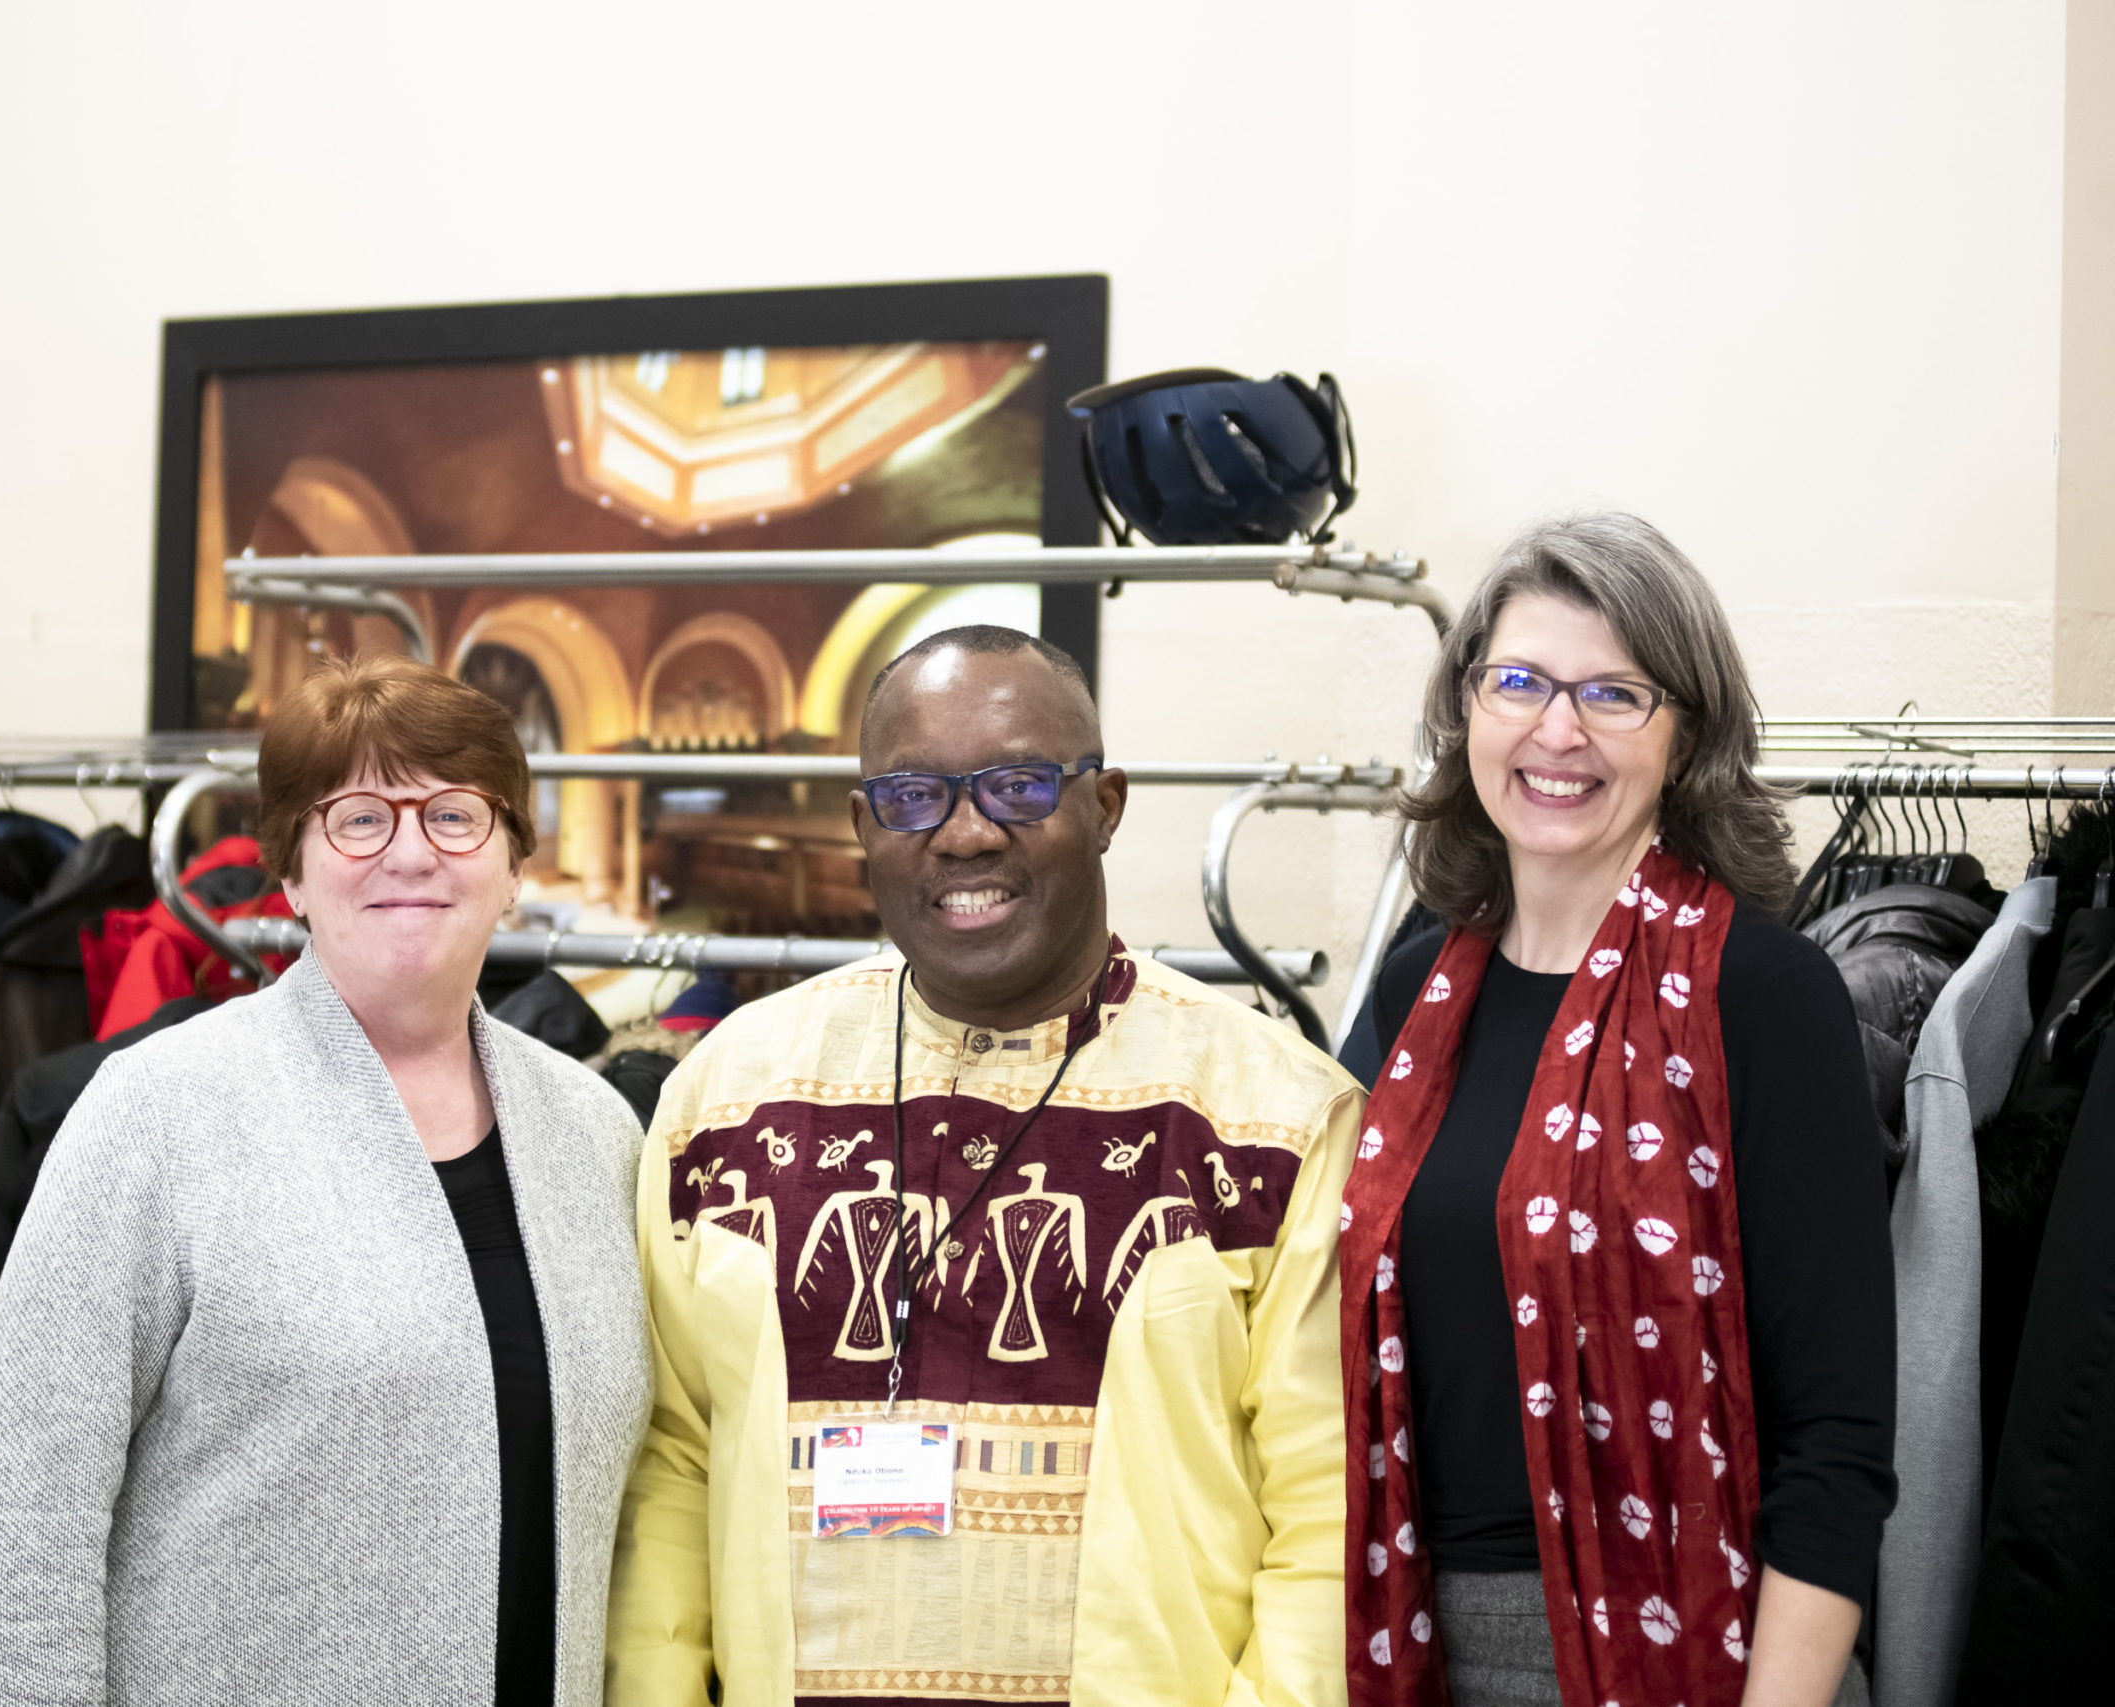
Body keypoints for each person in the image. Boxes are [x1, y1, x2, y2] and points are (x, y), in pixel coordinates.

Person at [607, 625, 1360, 1707]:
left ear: (1104, 807)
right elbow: (671, 1474)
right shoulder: (724, 1103)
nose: (964, 835)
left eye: (1016, 785)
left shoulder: (1272, 1120)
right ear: (864, 827)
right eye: (914, 795)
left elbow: (1330, 1519)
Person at [0, 654, 652, 1707]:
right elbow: (20, 1521)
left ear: (512, 866)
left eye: (455, 816)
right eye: (358, 818)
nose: (409, 852)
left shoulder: (595, 1131)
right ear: (291, 870)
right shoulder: (157, 1112)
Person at [1335, 513, 1894, 1707]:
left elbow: (1837, 1442)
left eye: (1614, 695)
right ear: (1466, 708)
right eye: (1520, 681)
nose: (1556, 730)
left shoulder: (1765, 997)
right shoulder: (1411, 989)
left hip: (1701, 1649)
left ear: (1685, 736)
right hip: (1408, 1639)